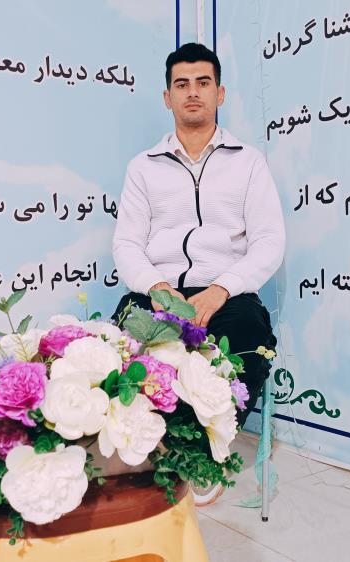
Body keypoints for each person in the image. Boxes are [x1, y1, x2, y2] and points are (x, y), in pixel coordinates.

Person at [111, 42, 286, 432]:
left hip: (228, 296)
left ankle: (208, 449)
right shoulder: (142, 167)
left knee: (248, 336)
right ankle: (147, 444)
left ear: (219, 93)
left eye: (203, 82)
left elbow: (269, 240)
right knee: (118, 345)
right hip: (158, 293)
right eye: (182, 84)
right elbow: (127, 244)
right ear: (167, 97)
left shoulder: (248, 162)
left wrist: (222, 288)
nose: (193, 92)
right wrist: (157, 287)